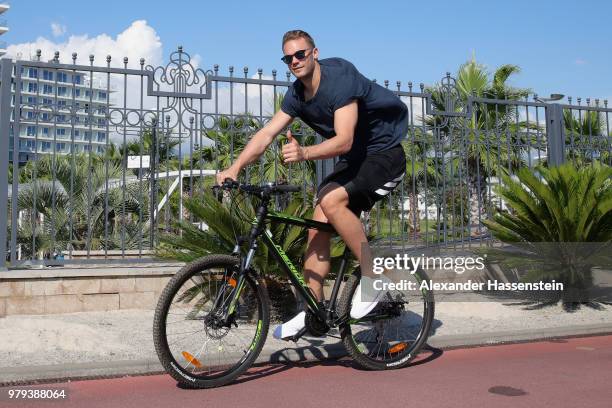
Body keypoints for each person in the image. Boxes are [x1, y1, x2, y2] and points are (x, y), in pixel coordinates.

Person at [216, 29, 408, 340]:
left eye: (300, 54)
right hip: (357, 162)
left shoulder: (340, 78)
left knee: (331, 203)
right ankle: (313, 312)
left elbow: (344, 140)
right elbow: (266, 135)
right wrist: (234, 168)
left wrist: (304, 152)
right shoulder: (295, 95)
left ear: (314, 53)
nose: (294, 61)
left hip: (385, 155)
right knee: (316, 223)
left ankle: (375, 278)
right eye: (288, 57)